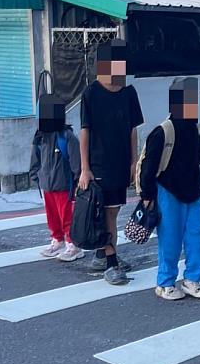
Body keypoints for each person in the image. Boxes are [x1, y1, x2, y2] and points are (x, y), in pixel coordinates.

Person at [78, 39, 144, 286]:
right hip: (99, 164)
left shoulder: (129, 93)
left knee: (113, 212)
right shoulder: (91, 93)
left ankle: (102, 252)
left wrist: (133, 162)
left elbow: (132, 130)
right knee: (106, 214)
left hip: (120, 162)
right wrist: (85, 169)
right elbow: (85, 131)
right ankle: (111, 262)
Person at [138, 77, 200, 301]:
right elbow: (148, 168)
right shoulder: (162, 132)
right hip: (167, 191)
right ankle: (165, 282)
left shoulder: (196, 127)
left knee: (196, 236)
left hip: (192, 191)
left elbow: (197, 157)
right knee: (170, 239)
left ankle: (192, 280)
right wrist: (148, 195)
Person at [29, 95, 84, 262]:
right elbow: (35, 157)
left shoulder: (67, 137)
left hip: (64, 185)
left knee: (67, 216)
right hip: (47, 184)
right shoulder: (41, 137)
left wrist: (76, 182)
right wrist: (35, 174)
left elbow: (76, 162)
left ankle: (72, 245)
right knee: (52, 216)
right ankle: (57, 240)